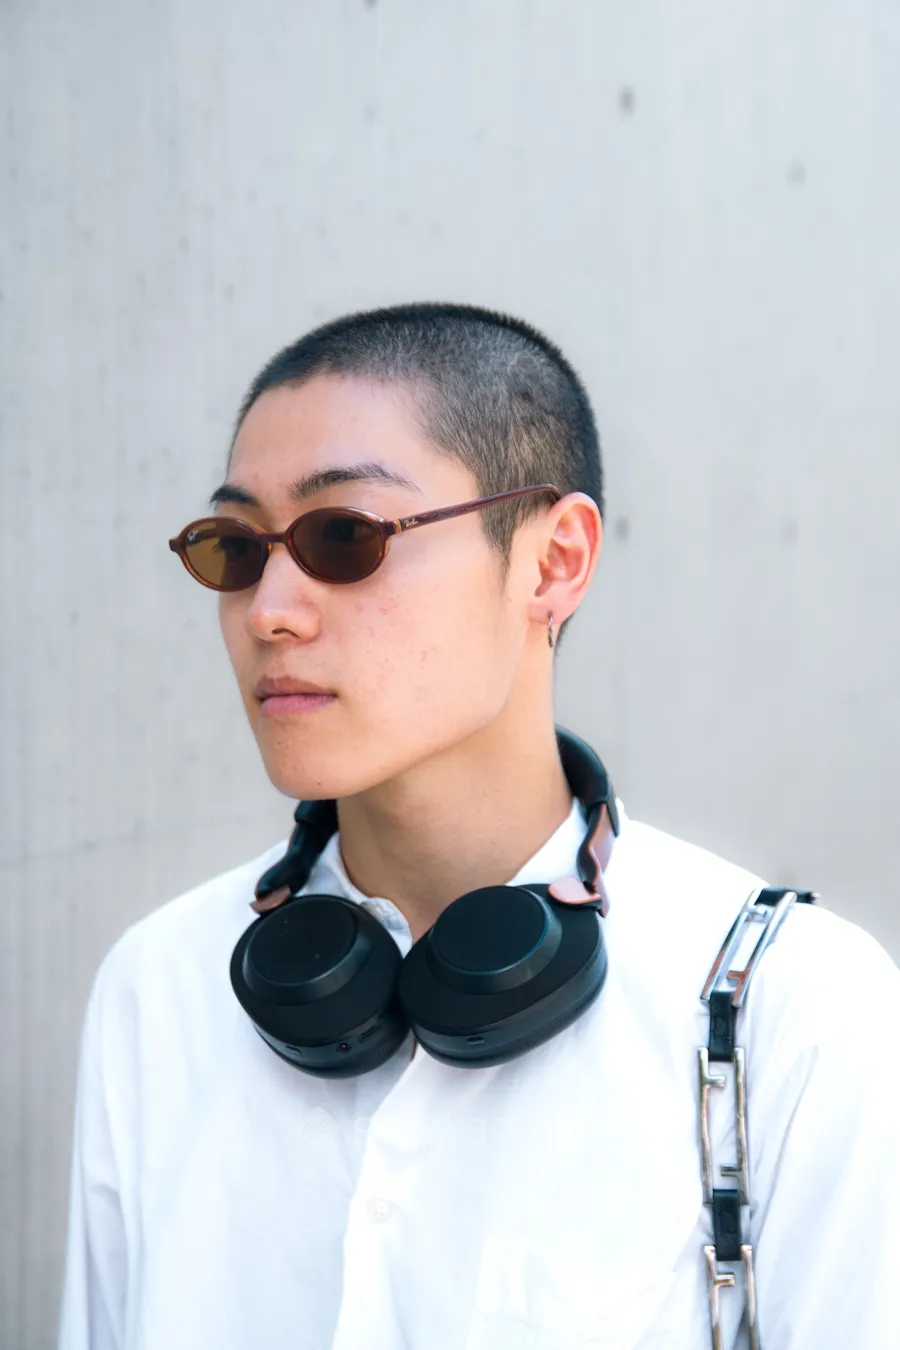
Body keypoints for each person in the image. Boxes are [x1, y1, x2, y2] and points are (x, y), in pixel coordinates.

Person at [58, 303, 900, 1350]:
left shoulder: (789, 1011)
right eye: (236, 548)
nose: (269, 609)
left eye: (343, 536)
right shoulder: (160, 989)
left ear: (553, 563)